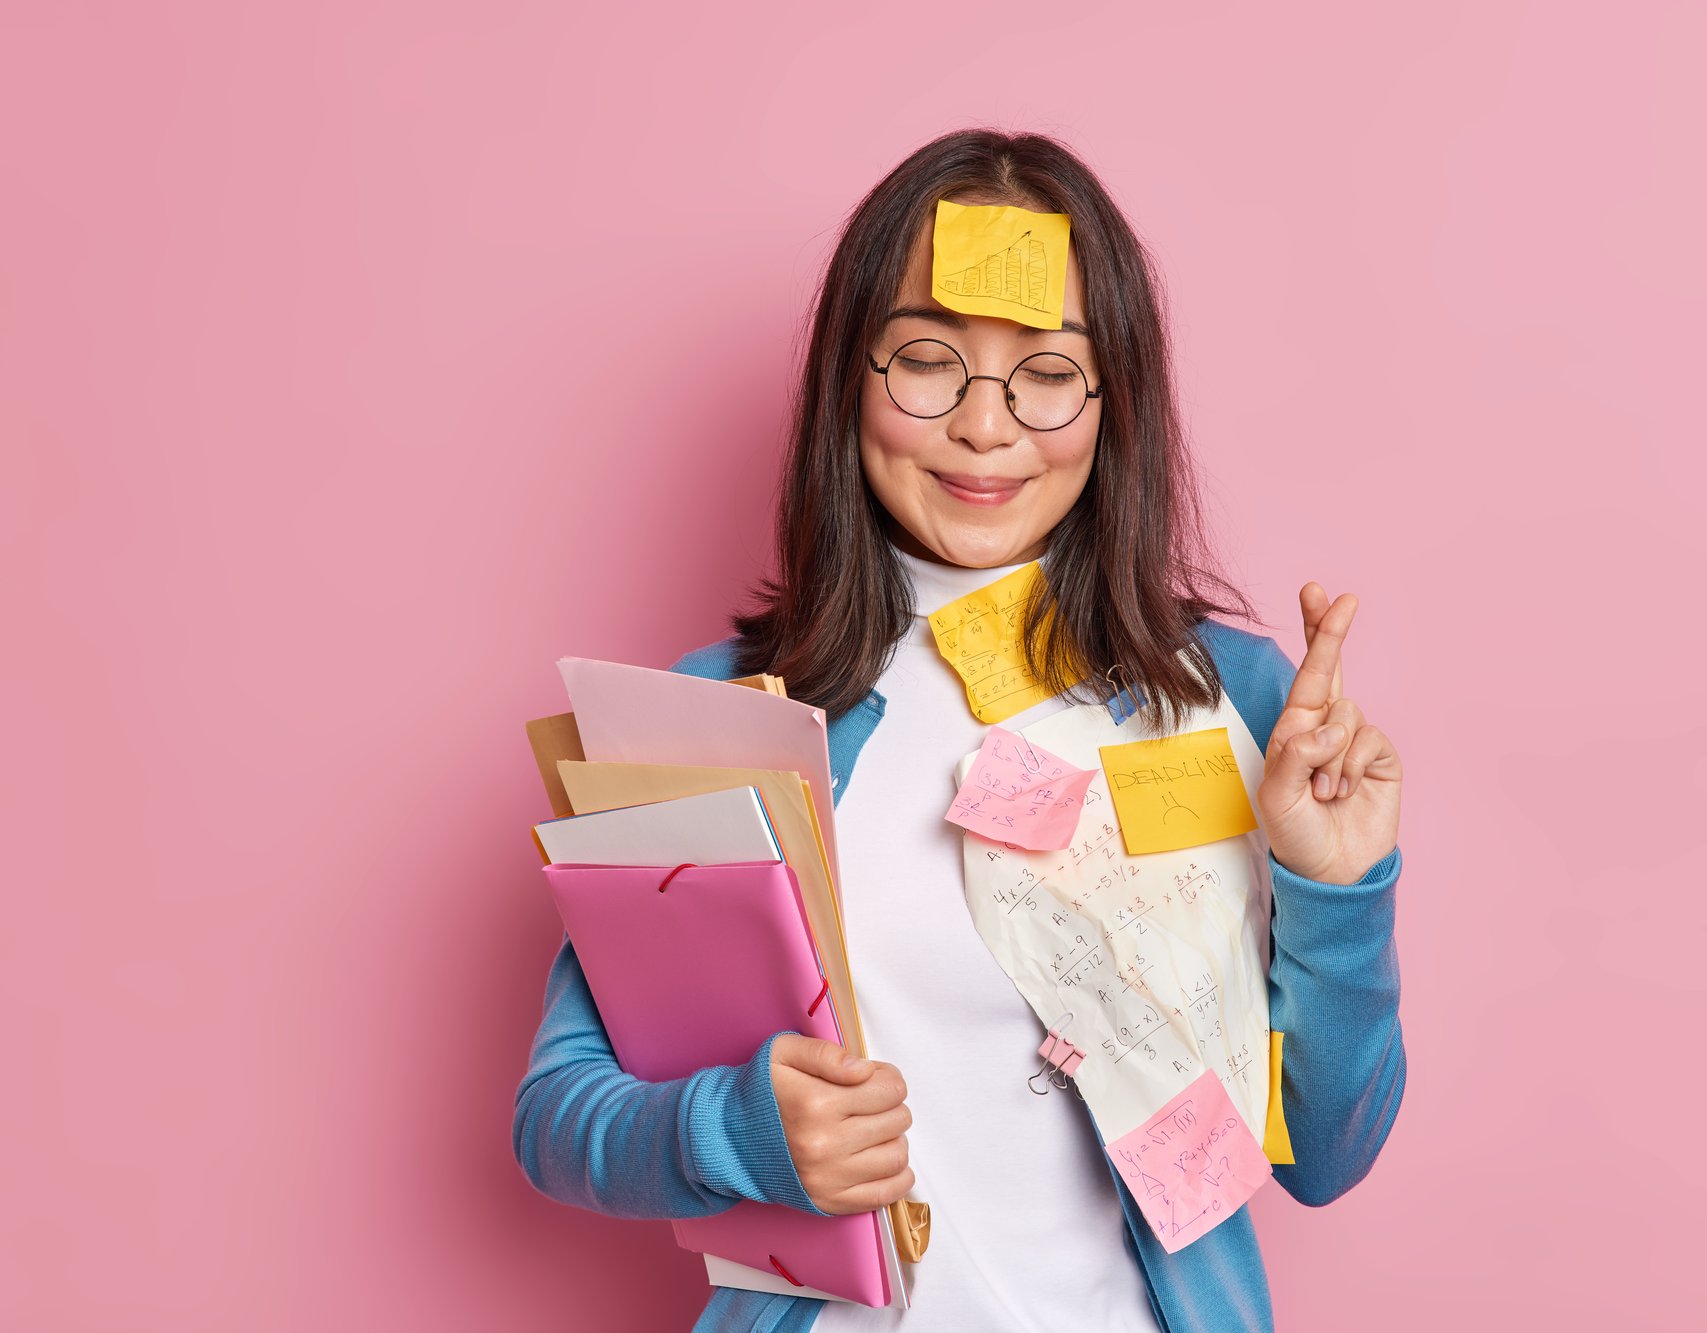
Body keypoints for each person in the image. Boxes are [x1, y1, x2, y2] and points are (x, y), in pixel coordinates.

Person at [513, 128, 1407, 1333]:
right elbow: (558, 1114)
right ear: (851, 379)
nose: (985, 427)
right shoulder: (721, 713)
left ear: (1113, 401)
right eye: (927, 363)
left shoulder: (1230, 699)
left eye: (1046, 372)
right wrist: (735, 1128)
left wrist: (1336, 886)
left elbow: (1323, 1153)